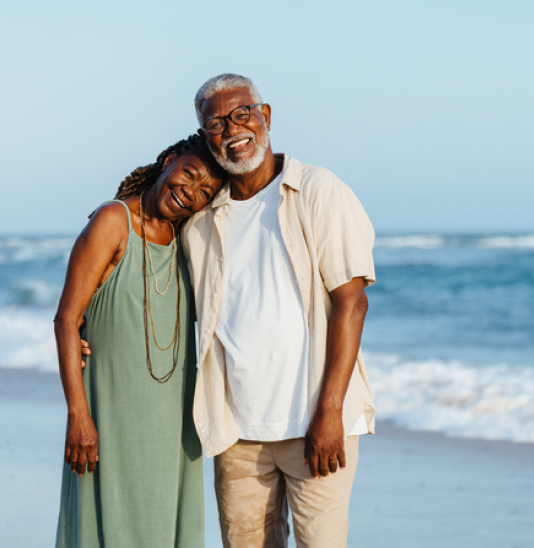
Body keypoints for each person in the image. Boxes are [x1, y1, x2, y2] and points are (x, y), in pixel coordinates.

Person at [182, 74, 376, 547]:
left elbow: (351, 302)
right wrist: (89, 318)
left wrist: (329, 413)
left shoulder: (317, 191)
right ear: (206, 137)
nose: (232, 130)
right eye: (216, 124)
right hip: (237, 433)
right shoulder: (202, 220)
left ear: (265, 116)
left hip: (316, 424)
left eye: (241, 114)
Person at [54, 135, 224, 548]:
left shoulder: (189, 241)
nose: (191, 192)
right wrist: (79, 416)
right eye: (190, 174)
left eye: (206, 192)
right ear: (169, 160)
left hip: (175, 423)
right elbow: (66, 319)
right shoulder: (114, 221)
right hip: (110, 416)